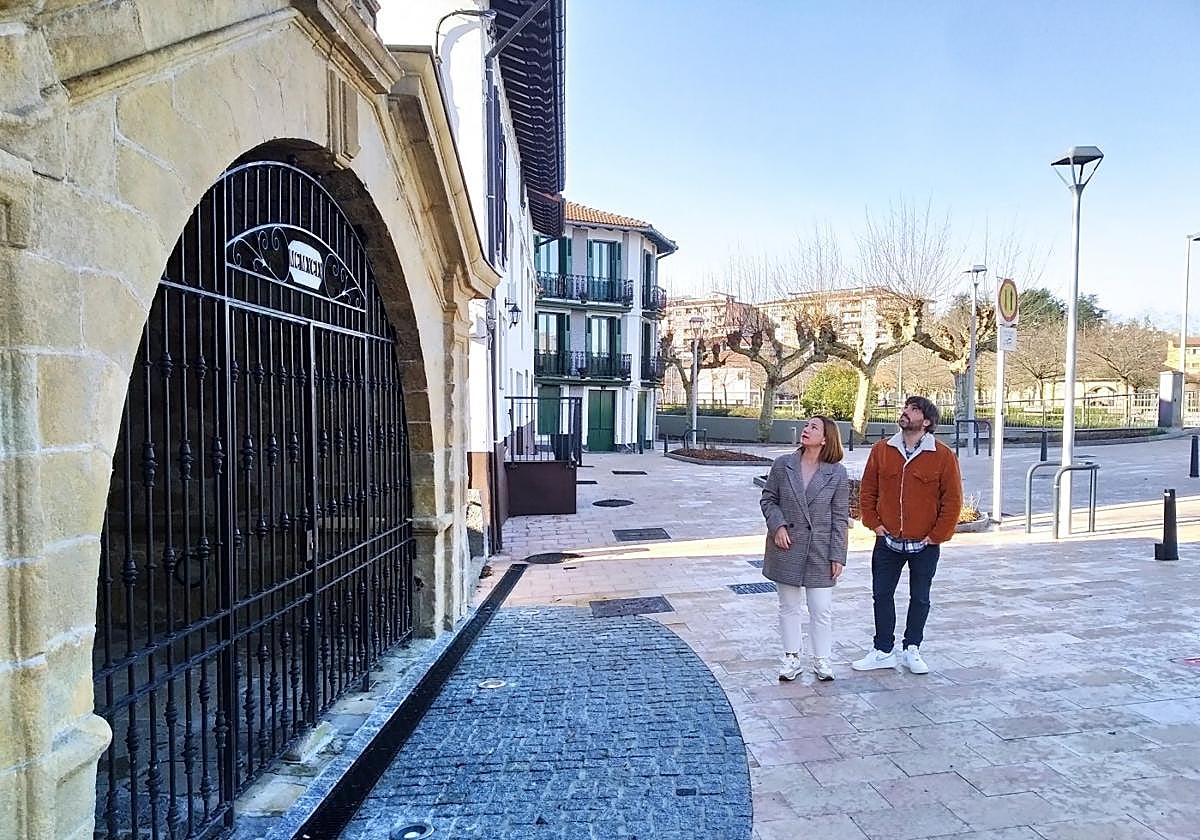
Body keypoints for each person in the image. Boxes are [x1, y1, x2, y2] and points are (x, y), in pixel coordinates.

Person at [852, 395, 962, 675]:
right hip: (887, 541)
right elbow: (868, 490)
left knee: (920, 598)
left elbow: (952, 500)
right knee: (881, 595)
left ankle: (912, 648)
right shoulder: (882, 450)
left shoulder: (943, 456)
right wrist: (873, 523)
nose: (905, 412)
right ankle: (882, 650)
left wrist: (937, 535)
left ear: (926, 422)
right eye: (905, 408)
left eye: (913, 410)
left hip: (924, 544)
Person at [760, 416, 850, 682]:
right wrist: (778, 526)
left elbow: (840, 517)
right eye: (806, 425)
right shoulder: (783, 464)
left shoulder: (837, 473)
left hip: (820, 549)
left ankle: (822, 658)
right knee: (788, 605)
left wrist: (838, 555)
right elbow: (768, 499)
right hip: (786, 545)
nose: (806, 430)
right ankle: (791, 657)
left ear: (825, 438)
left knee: (821, 608)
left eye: (813, 427)